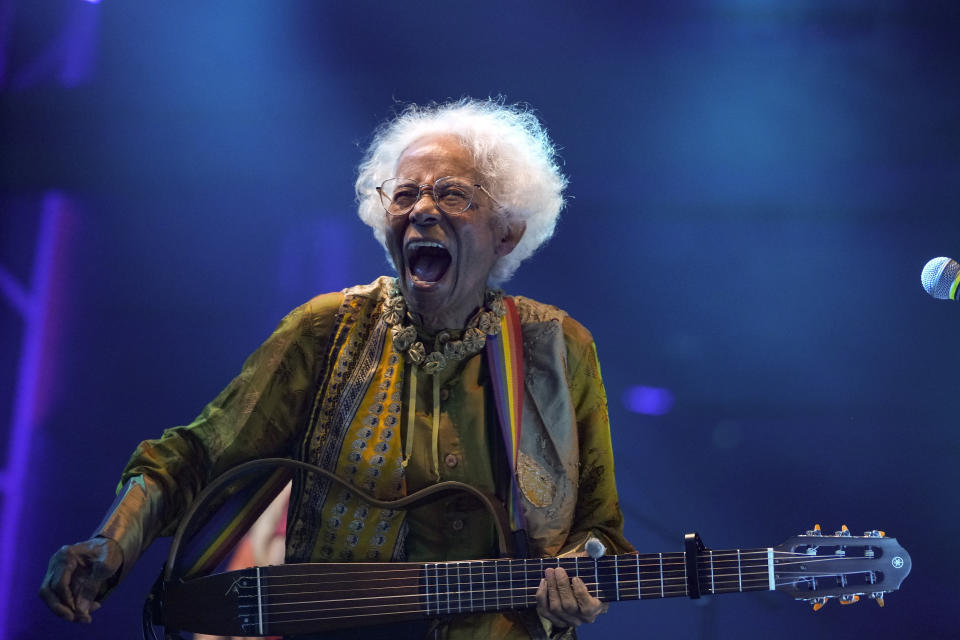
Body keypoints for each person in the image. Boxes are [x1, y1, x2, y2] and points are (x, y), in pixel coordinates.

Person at [39, 98, 632, 639]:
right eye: (404, 195)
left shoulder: (557, 348)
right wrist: (110, 542)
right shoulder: (327, 329)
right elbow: (198, 455)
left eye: (451, 193)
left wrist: (579, 585)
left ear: (506, 231)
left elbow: (599, 528)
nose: (422, 210)